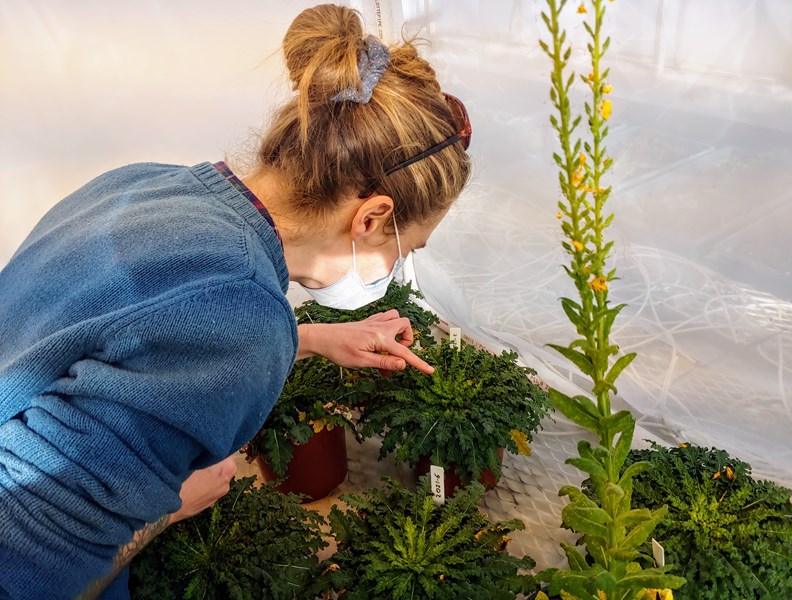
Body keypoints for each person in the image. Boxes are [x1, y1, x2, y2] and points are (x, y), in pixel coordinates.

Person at [0, 3, 471, 599]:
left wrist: (314, 339)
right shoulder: (244, 319)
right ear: (374, 218)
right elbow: (27, 567)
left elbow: (137, 329)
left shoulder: (148, 183)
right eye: (407, 248)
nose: (399, 267)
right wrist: (170, 506)